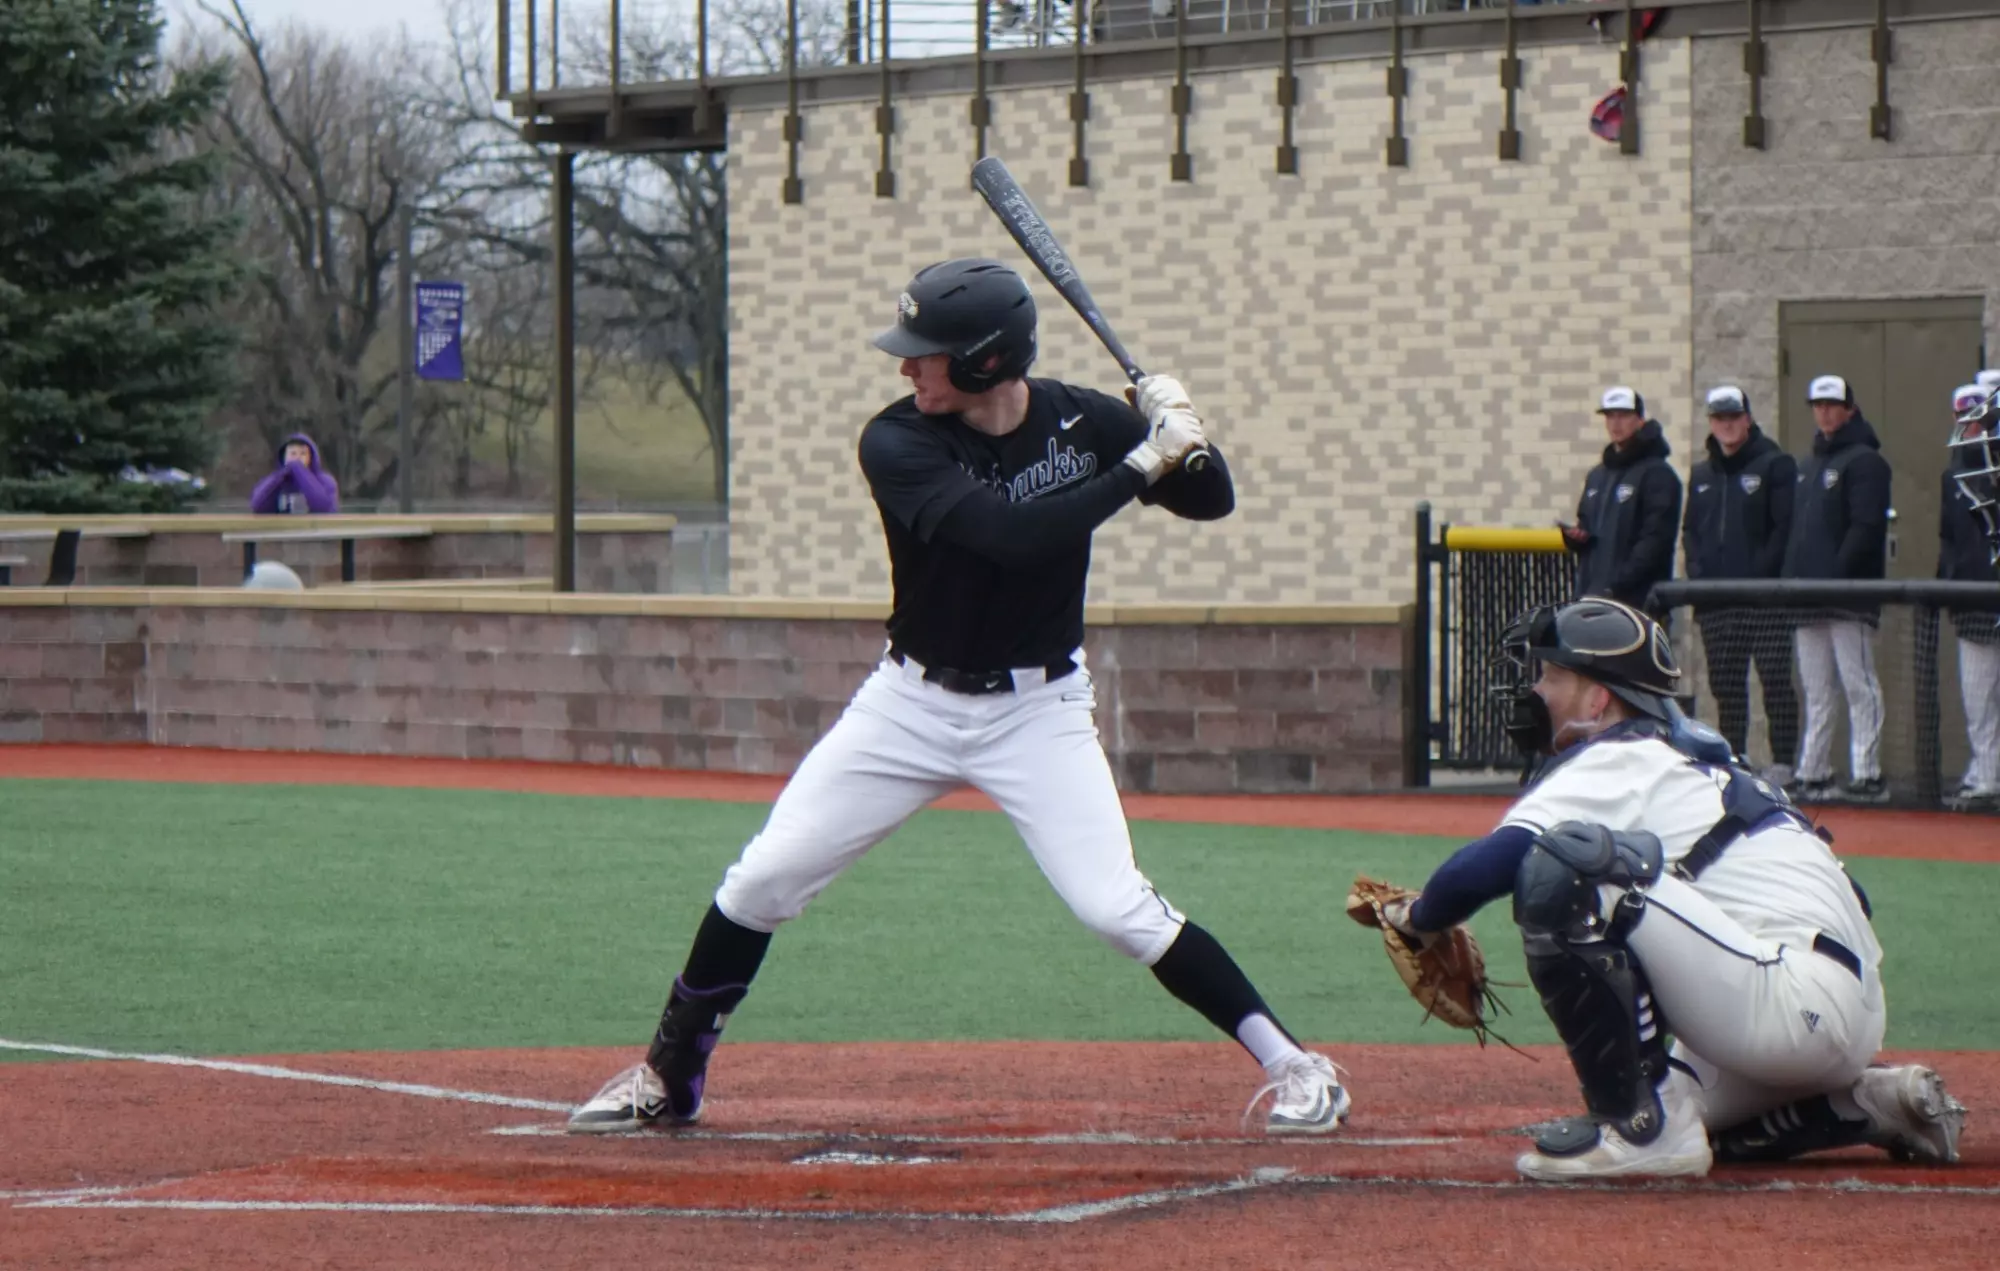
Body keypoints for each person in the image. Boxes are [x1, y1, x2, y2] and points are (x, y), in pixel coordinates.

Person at [565, 258, 1351, 1137]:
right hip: (909, 705)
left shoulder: (1083, 418)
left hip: (1038, 711)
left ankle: (1299, 1065)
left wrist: (1183, 431)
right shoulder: (898, 441)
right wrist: (1140, 459)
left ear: (984, 361)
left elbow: (1212, 501)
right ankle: (668, 1078)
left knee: (1116, 908)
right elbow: (1007, 538)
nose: (907, 368)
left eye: (926, 354)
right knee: (762, 879)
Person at [1376, 596, 1964, 1180]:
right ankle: (1861, 1104)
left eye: (1553, 675)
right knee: (1687, 1108)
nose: (1538, 691)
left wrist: (1419, 918)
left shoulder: (1621, 755)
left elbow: (1484, 870)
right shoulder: (1701, 760)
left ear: (1598, 697)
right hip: (1826, 1006)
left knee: (1567, 864)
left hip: (1784, 1002)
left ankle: (1642, 1132)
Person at [1781, 375, 1891, 803]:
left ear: (1849, 409)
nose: (1824, 411)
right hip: (1808, 598)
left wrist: (1837, 577)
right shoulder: (1807, 466)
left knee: (1858, 683)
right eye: (1818, 405)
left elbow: (1865, 528)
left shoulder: (1866, 461)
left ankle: (1868, 773)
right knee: (1817, 687)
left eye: (1832, 404)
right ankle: (1815, 770)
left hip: (1848, 597)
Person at [1680, 386, 1799, 784]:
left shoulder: (1774, 464)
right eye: (1719, 418)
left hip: (1764, 599)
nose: (1727, 425)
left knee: (1775, 681)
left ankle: (1784, 761)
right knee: (1726, 684)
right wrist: (1700, 577)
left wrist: (1761, 579)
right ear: (1711, 423)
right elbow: (1691, 532)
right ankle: (1736, 757)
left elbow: (1783, 529)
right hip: (1716, 601)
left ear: (1747, 419)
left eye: (1733, 417)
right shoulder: (1700, 474)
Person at [1560, 386, 1683, 617]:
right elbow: (1586, 525)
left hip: (1637, 602)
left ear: (1640, 420)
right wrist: (1577, 538)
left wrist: (1616, 585)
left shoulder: (1658, 474)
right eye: (1610, 416)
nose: (1616, 423)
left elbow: (1655, 541)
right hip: (1594, 596)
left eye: (1624, 415)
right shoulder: (1597, 475)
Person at [1942, 384, 2000, 812]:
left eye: (1977, 417)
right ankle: (1987, 775)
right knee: (1978, 697)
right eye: (1963, 417)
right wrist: (1946, 584)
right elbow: (1948, 538)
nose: (1970, 425)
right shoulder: (1954, 472)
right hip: (1973, 600)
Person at [249, 433, 339, 514]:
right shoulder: (274, 480)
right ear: (284, 457)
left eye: (303, 454)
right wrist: (279, 477)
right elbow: (257, 506)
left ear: (311, 458)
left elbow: (323, 507)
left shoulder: (325, 480)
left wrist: (298, 470)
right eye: (293, 453)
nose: (297, 458)